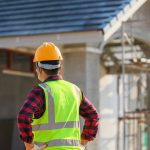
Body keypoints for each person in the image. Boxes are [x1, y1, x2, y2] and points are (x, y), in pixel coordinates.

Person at [17, 42, 99, 150]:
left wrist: (30, 147)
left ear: (39, 69)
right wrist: (83, 143)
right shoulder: (75, 90)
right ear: (60, 68)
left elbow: (23, 117)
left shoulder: (41, 91)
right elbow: (93, 116)